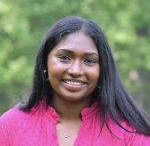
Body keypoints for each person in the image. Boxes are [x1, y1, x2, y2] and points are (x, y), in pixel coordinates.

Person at [0, 16, 150, 146]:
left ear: (102, 69)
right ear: (45, 62)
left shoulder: (130, 131)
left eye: (90, 60)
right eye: (64, 57)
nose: (76, 71)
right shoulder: (11, 125)